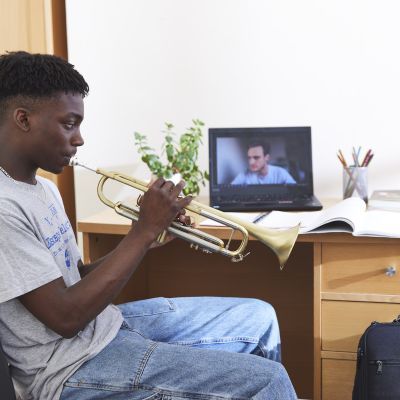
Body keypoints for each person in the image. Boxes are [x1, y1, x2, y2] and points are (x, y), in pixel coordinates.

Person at [0, 51, 297, 400]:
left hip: (105, 329)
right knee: (267, 380)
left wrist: (147, 237)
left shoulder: (44, 189)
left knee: (259, 317)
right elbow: (65, 317)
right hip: (68, 368)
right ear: (23, 119)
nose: (79, 138)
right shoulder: (5, 207)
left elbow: (75, 278)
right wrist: (142, 232)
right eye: (69, 123)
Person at [231, 141, 296, 185]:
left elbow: (296, 191)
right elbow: (230, 190)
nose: (251, 162)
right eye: (249, 158)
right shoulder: (245, 175)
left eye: (256, 157)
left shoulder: (280, 173)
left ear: (267, 158)